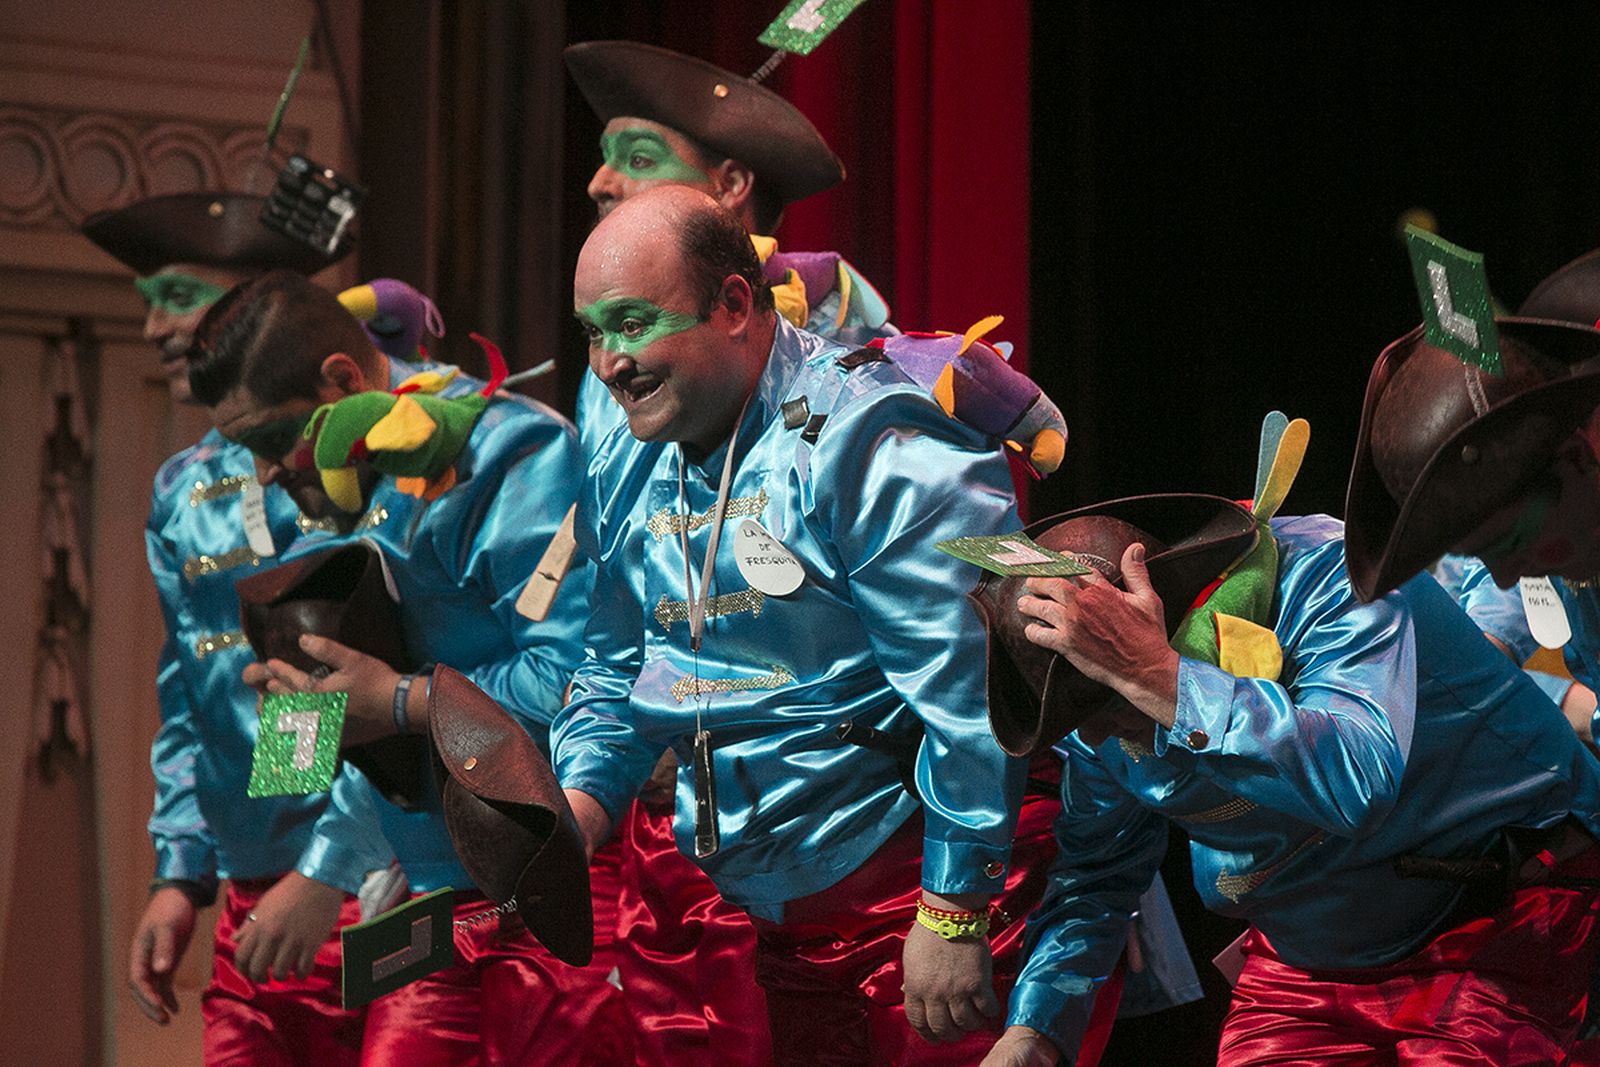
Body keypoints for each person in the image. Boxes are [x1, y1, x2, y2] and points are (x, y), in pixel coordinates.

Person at [553, 185, 1042, 1065]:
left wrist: (954, 905)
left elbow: (972, 688)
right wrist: (578, 806)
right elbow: (610, 665)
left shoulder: (875, 437)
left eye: (631, 322)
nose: (607, 362)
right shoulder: (625, 458)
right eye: (592, 329)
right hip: (774, 921)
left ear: (735, 304)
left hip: (923, 899)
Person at [978, 491, 1600, 1065]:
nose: (1091, 741)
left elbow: (1359, 778)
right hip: (1304, 957)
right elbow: (1097, 875)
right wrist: (1033, 1031)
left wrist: (1157, 678)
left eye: (1102, 708)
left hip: (1496, 925)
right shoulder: (1097, 710)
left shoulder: (1329, 573)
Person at [185, 271, 630, 1066]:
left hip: (555, 888)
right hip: (420, 893)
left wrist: (397, 700)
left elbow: (575, 679)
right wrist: (299, 708)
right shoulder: (314, 489)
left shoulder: (513, 450)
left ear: (342, 381)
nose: (260, 477)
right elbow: (322, 716)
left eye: (265, 441)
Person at [564, 40, 905, 1065]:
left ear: (729, 189)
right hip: (593, 830)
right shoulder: (605, 378)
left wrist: (337, 840)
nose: (598, 180)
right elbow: (605, 618)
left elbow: (541, 634)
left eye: (633, 153)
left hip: (804, 845)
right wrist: (216, 862)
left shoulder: (844, 365)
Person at [81, 192, 391, 1066]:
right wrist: (181, 871)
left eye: (176, 295)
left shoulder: (358, 459)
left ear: (258, 302)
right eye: (147, 300)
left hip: (375, 879)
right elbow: (185, 689)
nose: (152, 326)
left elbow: (395, 675)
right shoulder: (181, 489)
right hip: (253, 891)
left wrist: (330, 865)